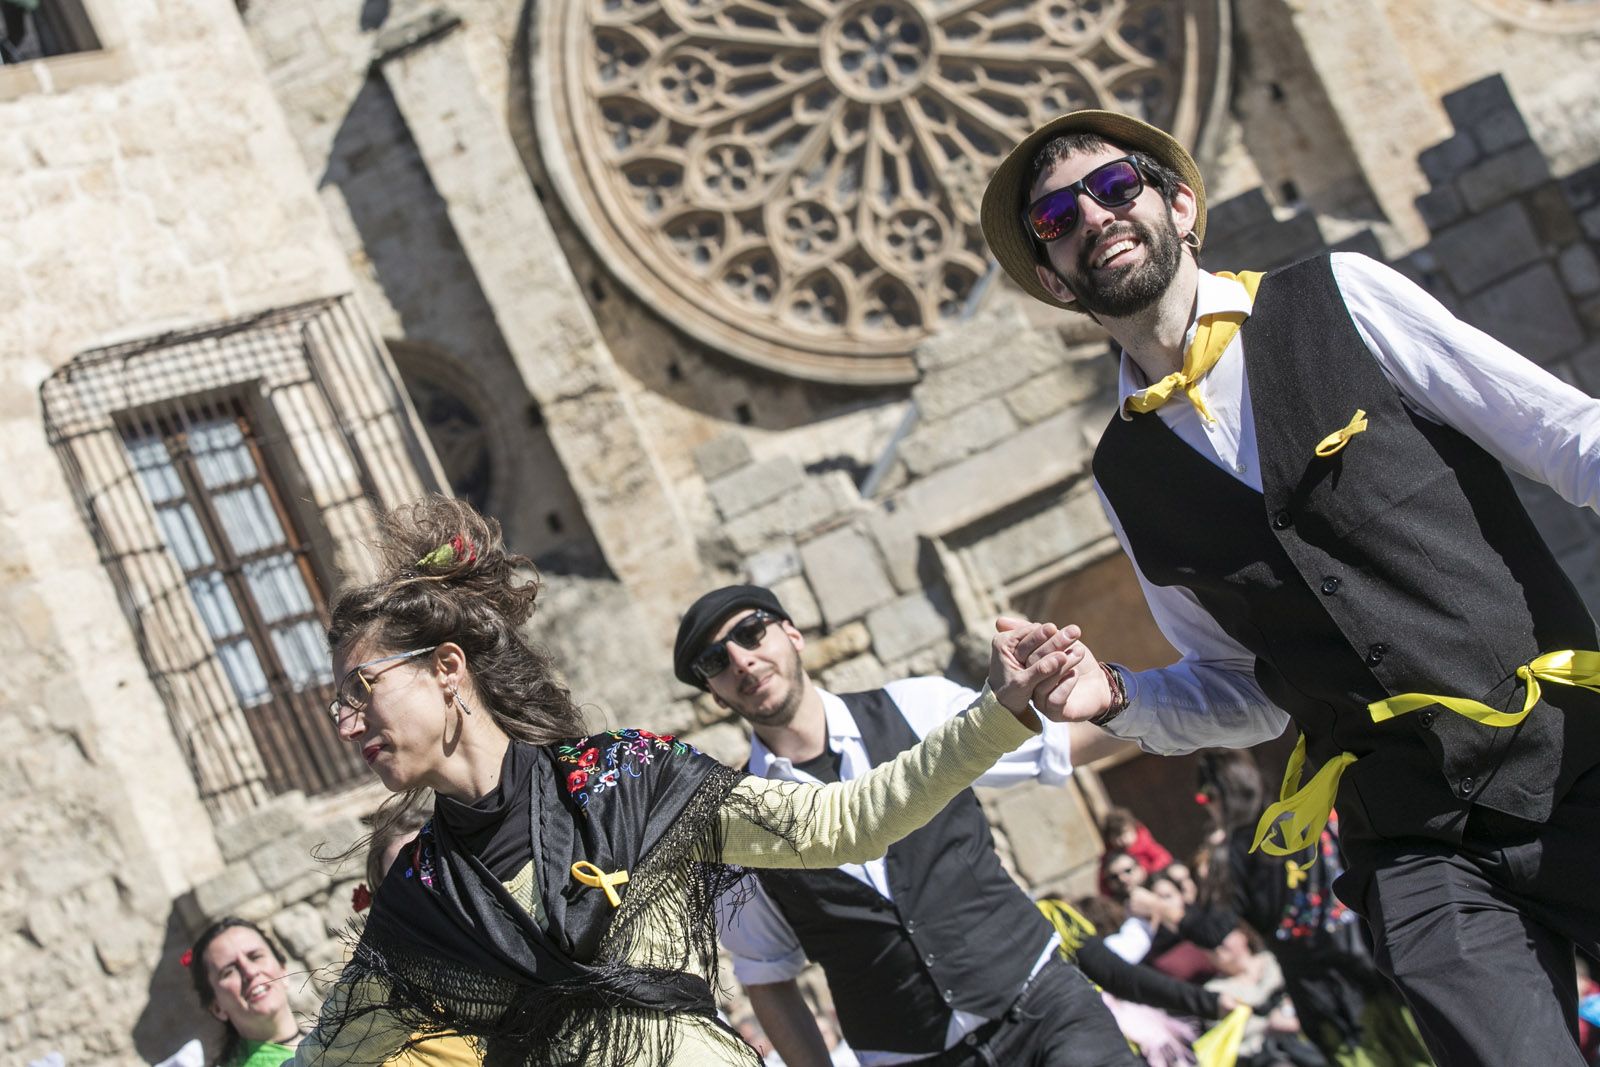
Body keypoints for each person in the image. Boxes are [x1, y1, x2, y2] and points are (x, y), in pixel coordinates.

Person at [978, 107, 1600, 1066]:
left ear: (1179, 205)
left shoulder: (1336, 297)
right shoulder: (1124, 473)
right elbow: (1240, 686)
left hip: (1570, 758)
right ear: (1054, 277)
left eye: (1113, 188)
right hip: (1414, 842)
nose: (1093, 218)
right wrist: (1119, 695)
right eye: (1057, 220)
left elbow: (1564, 436)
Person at [290, 497, 1081, 1067]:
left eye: (361, 688)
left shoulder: (628, 781)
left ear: (447, 668)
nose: (347, 722)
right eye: (337, 705)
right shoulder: (419, 899)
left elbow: (849, 820)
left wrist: (999, 710)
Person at [672, 584, 1136, 1067]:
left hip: (1044, 1007)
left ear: (792, 634)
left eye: (751, 633)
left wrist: (1173, 705)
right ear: (714, 694)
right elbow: (766, 973)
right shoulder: (736, 824)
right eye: (714, 661)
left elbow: (1065, 746)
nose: (740, 661)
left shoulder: (917, 707)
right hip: (908, 1058)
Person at [1195, 751, 1430, 1067]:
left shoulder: (1235, 853)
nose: (1206, 808)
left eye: (1204, 797)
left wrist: (1170, 903)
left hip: (1325, 993)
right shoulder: (1303, 815)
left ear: (1220, 794)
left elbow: (1212, 929)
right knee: (1427, 1049)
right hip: (1376, 960)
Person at [188, 917, 306, 1067]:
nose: (249, 972)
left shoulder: (329, 1037)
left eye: (255, 957)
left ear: (283, 969)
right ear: (217, 1008)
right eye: (229, 971)